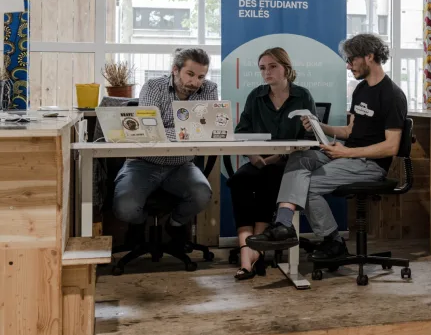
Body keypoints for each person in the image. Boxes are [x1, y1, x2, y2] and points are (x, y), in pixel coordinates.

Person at [246, 34, 408, 261]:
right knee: (300, 157)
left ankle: (333, 241)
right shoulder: (361, 90)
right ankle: (283, 224)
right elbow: (351, 131)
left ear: (370, 57)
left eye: (352, 59)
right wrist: (318, 125)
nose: (348, 65)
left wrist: (347, 152)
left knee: (308, 186)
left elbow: (391, 147)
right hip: (347, 155)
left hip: (369, 164)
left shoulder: (392, 95)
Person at [111, 48, 217, 247]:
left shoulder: (209, 90)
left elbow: (205, 131)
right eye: (190, 74)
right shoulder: (153, 87)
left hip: (181, 164)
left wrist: (167, 130)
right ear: (175, 70)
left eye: (201, 76)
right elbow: (150, 134)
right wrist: (187, 131)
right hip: (144, 162)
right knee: (125, 207)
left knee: (202, 194)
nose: (195, 82)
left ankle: (175, 224)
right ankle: (138, 224)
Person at [229, 48, 317, 280]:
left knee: (271, 177)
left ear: (286, 68)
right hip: (259, 160)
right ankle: (247, 248)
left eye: (272, 66)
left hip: (289, 164)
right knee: (239, 180)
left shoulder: (302, 96)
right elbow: (241, 132)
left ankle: (251, 254)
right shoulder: (255, 96)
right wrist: (253, 155)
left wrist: (275, 158)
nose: (266, 72)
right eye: (262, 68)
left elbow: (310, 139)